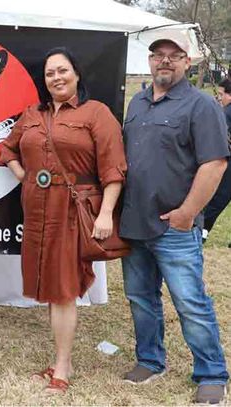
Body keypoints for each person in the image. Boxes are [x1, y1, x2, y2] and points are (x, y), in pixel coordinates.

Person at [0, 47, 126, 394]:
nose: (57, 77)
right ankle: (58, 359)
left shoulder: (96, 113)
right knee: (54, 289)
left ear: (77, 74)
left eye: (63, 70)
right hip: (38, 210)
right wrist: (24, 175)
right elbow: (7, 149)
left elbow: (113, 169)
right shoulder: (32, 114)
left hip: (73, 210)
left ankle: (64, 366)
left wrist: (104, 214)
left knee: (65, 289)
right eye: (50, 73)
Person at [120, 36, 229, 404]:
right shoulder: (136, 102)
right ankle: (150, 360)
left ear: (188, 62)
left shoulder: (201, 106)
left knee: (190, 301)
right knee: (140, 297)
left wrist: (187, 213)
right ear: (150, 61)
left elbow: (214, 163)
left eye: (174, 56)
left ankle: (212, 373)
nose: (165, 62)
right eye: (159, 56)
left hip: (174, 227)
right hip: (134, 223)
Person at [203, 78, 231, 242]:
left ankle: (202, 231)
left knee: (217, 199)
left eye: (221, 94)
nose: (219, 98)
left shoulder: (226, 112)